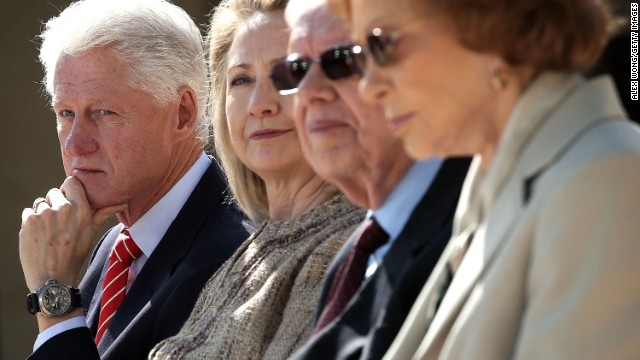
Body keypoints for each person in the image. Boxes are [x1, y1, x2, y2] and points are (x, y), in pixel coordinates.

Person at [333, 0, 640, 358]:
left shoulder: (604, 181)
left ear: (496, 24)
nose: (368, 86)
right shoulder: (492, 177)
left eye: (382, 44)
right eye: (357, 55)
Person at [18, 0, 249, 359]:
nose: (75, 144)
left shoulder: (233, 259)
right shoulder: (114, 244)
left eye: (104, 112)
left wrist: (55, 293)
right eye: (65, 113)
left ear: (183, 114)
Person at [149, 0, 364, 358]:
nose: (259, 104)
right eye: (242, 80)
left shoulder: (347, 247)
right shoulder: (250, 251)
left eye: (290, 72)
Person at [267, 0, 470, 358]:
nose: (311, 91)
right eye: (296, 70)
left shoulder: (467, 221)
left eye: (342, 60)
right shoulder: (357, 252)